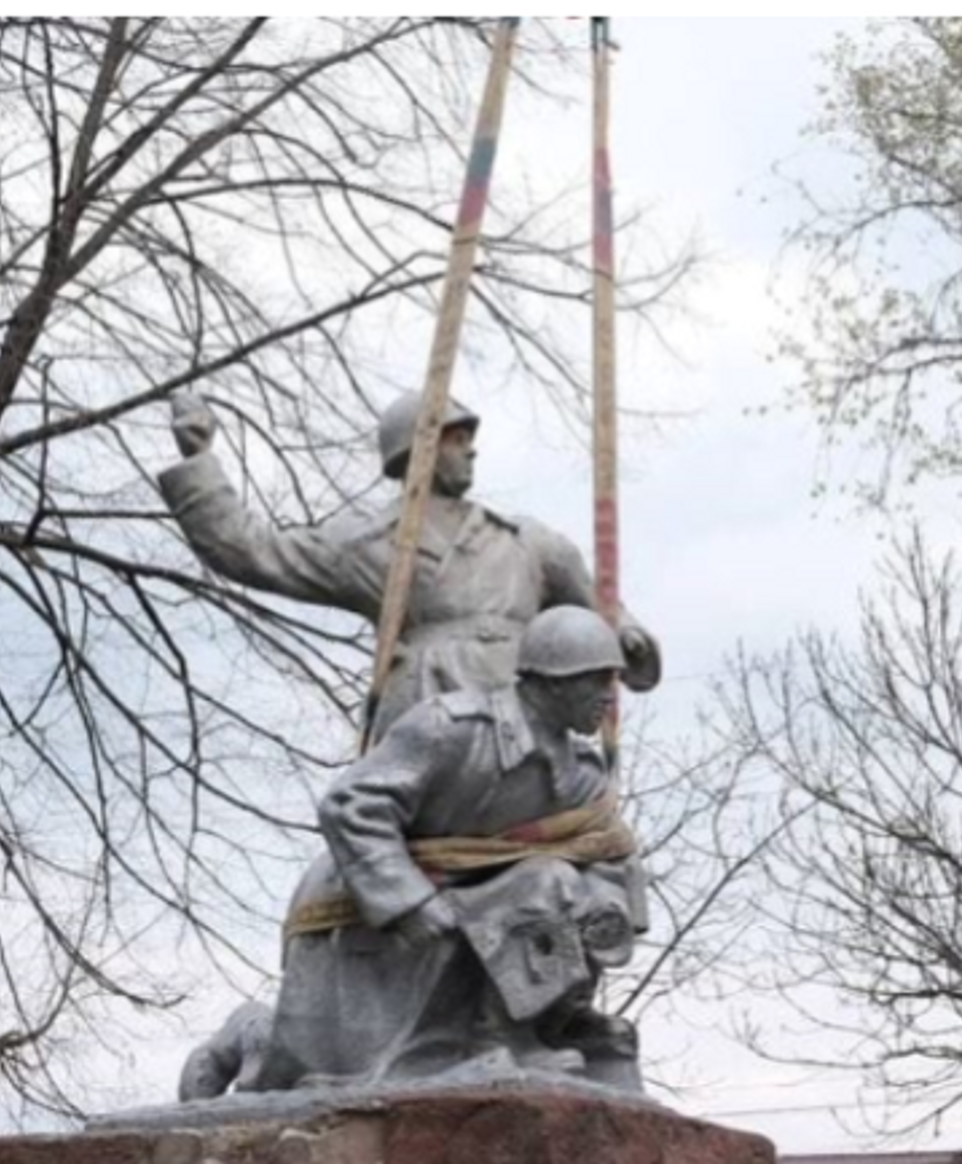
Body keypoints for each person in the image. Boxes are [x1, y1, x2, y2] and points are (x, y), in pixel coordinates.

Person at [182, 606, 649, 1097]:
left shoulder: (581, 771)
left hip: (493, 919)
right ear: (551, 682)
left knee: (558, 883)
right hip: (368, 902)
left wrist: (602, 916)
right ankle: (248, 1033)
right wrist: (409, 902)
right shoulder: (451, 728)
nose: (607, 697)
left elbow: (606, 851)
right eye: (595, 680)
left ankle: (523, 1033)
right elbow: (352, 806)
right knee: (303, 1065)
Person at [160, 391, 660, 737]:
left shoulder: (527, 541)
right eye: (456, 438)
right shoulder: (370, 544)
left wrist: (627, 633)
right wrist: (199, 458)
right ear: (419, 447)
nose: (472, 449)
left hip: (524, 710)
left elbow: (599, 612)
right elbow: (254, 551)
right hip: (427, 710)